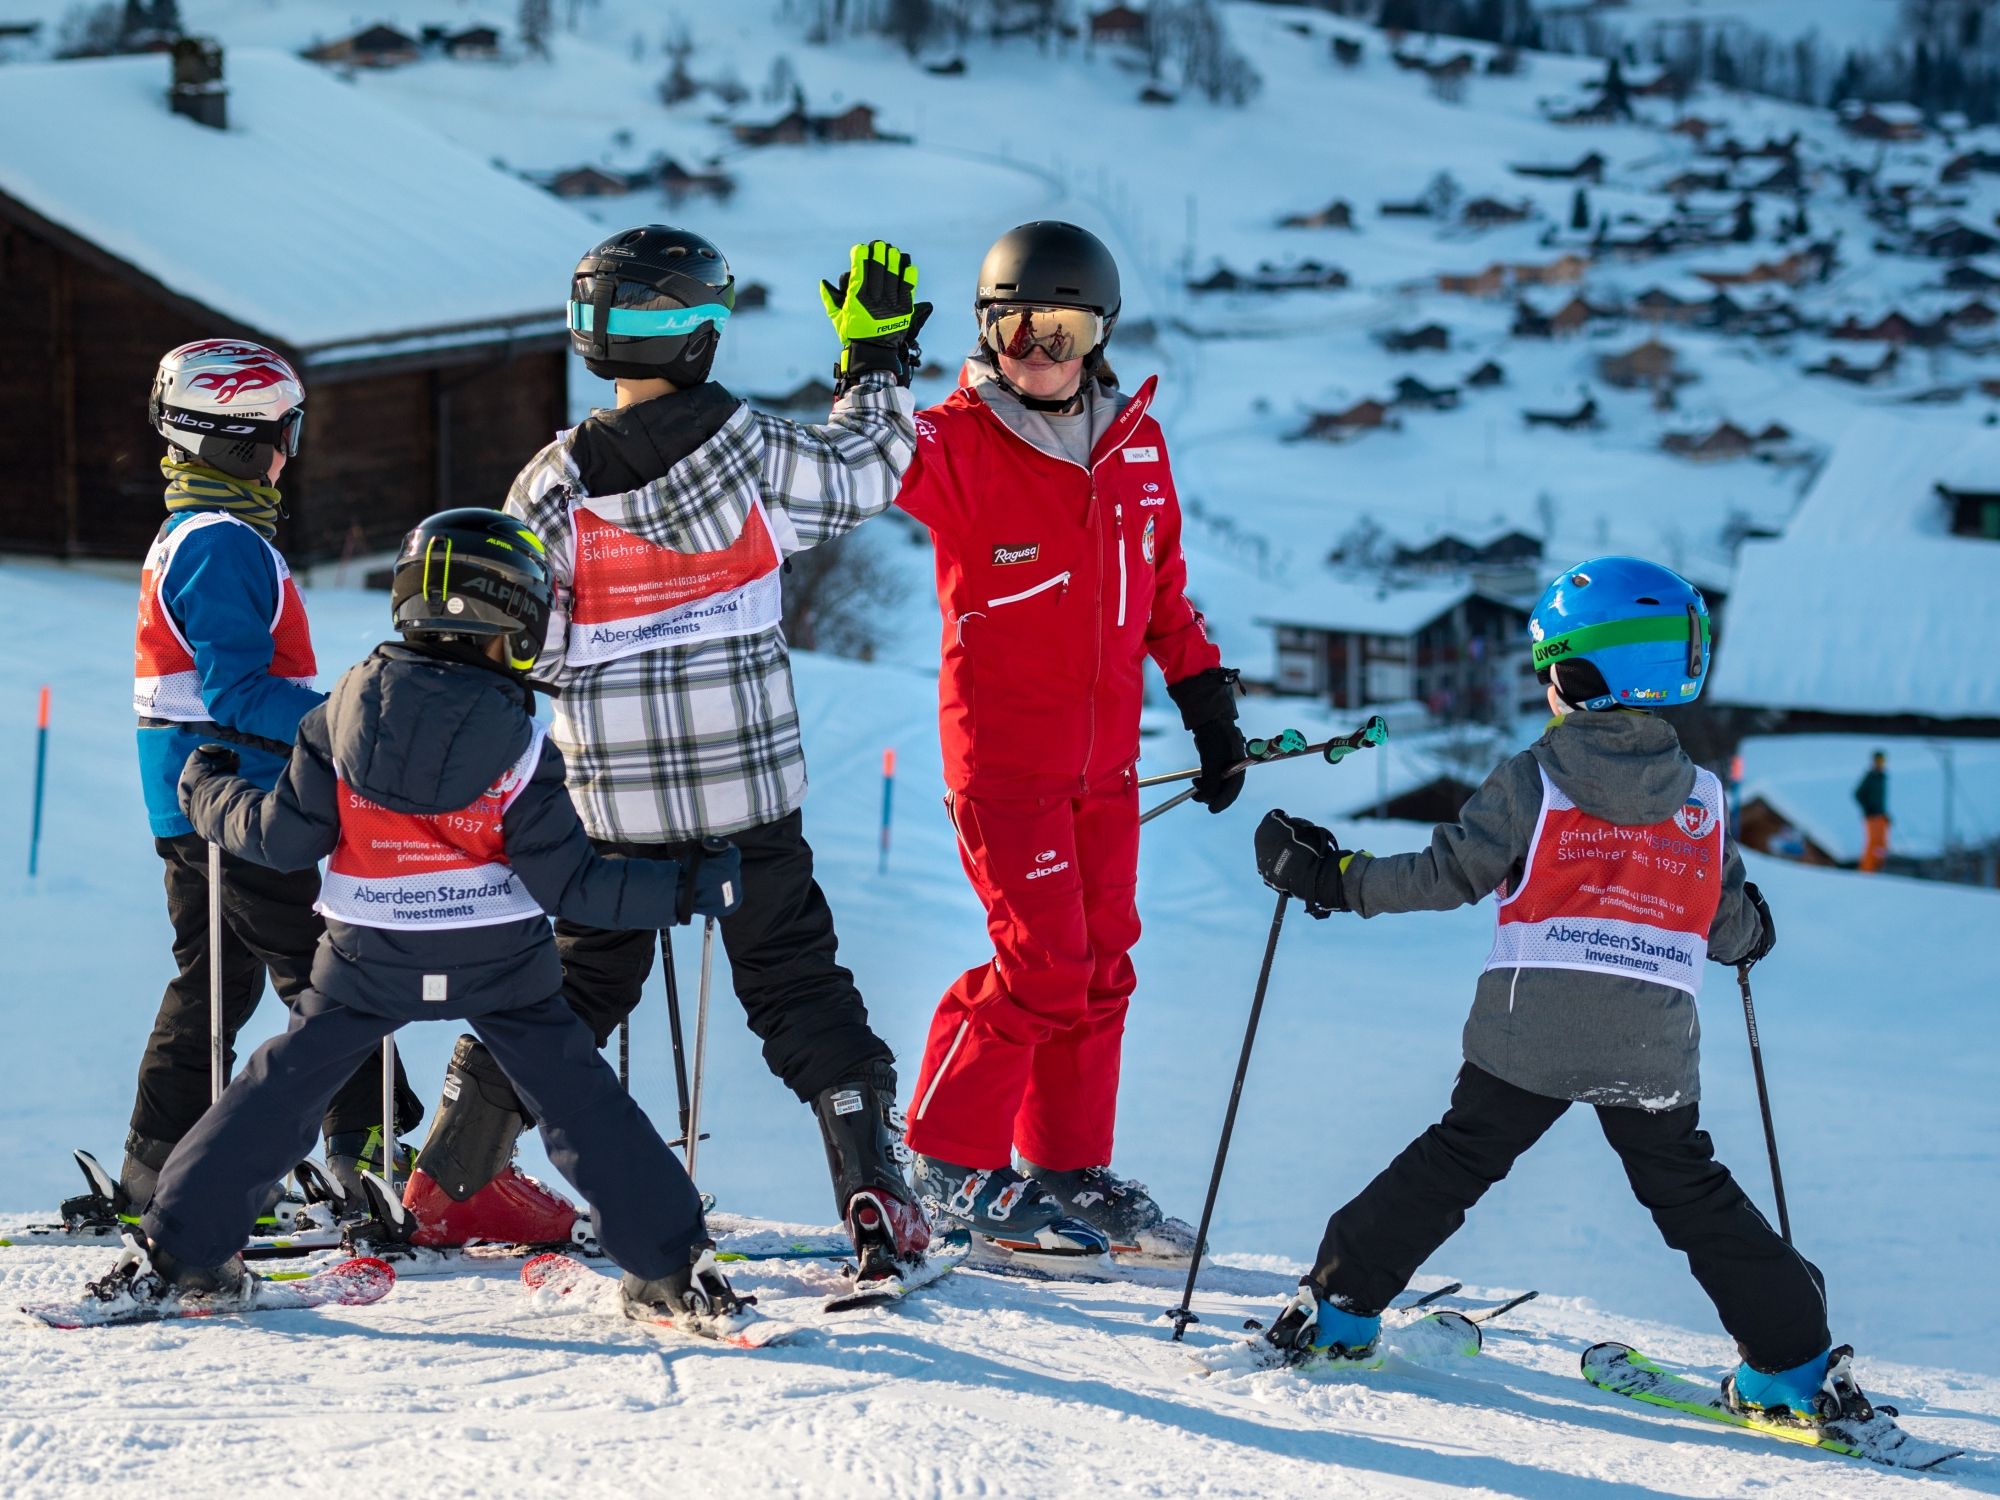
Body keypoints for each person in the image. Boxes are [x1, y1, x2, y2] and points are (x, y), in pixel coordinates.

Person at [1249, 556, 1876, 1428]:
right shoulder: (1703, 800)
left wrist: (1332, 877)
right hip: (1650, 1049)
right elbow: (1728, 928)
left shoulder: (1534, 778)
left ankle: (1341, 1309)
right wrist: (1754, 929)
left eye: (1552, 667)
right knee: (1692, 1195)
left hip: (1526, 1039)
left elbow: (1446, 873)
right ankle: (1795, 1365)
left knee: (1457, 1159)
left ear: (1580, 674)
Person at [90, 509, 751, 1333]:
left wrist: (206, 792)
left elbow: (281, 836)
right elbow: (572, 886)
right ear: (514, 618)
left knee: (281, 1088)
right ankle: (669, 1270)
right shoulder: (521, 740)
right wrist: (687, 885)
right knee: (579, 1102)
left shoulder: (342, 712)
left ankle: (183, 1252)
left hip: (369, 953)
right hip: (500, 957)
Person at [469, 226, 932, 1280]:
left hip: (608, 804)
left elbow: (518, 640)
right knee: (793, 980)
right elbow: (871, 469)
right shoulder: (754, 451)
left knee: (576, 982)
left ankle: (456, 1171)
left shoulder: (550, 485)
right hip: (748, 789)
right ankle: (873, 1193)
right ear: (700, 335)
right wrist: (873, 364)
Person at [893, 222, 1248, 1260]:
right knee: (1042, 963)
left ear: (1099, 334)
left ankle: (1063, 1166)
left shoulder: (1136, 441)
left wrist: (1203, 699)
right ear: (984, 328)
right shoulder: (953, 440)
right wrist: (864, 373)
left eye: (1062, 327)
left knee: (1100, 967)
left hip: (1105, 764)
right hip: (1003, 761)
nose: (1035, 352)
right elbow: (857, 466)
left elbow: (1161, 590)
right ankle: (947, 1162)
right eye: (1014, 327)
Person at [115, 338, 416, 1219]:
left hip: (196, 800)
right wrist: (353, 718)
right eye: (285, 431)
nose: (290, 451)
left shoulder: (196, 533)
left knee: (214, 984)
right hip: (236, 806)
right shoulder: (223, 545)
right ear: (241, 441)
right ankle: (374, 1162)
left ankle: (157, 1167)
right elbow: (239, 690)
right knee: (336, 975)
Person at [1855, 750, 1890, 874]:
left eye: (1882, 761)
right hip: (1871, 816)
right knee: (1872, 843)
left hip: (1881, 815)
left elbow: (1880, 799)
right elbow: (1858, 794)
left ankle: (1878, 866)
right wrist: (1868, 809)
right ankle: (1866, 869)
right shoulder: (1870, 777)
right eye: (1878, 761)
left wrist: (1885, 813)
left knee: (1882, 844)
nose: (1880, 764)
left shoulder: (1882, 777)